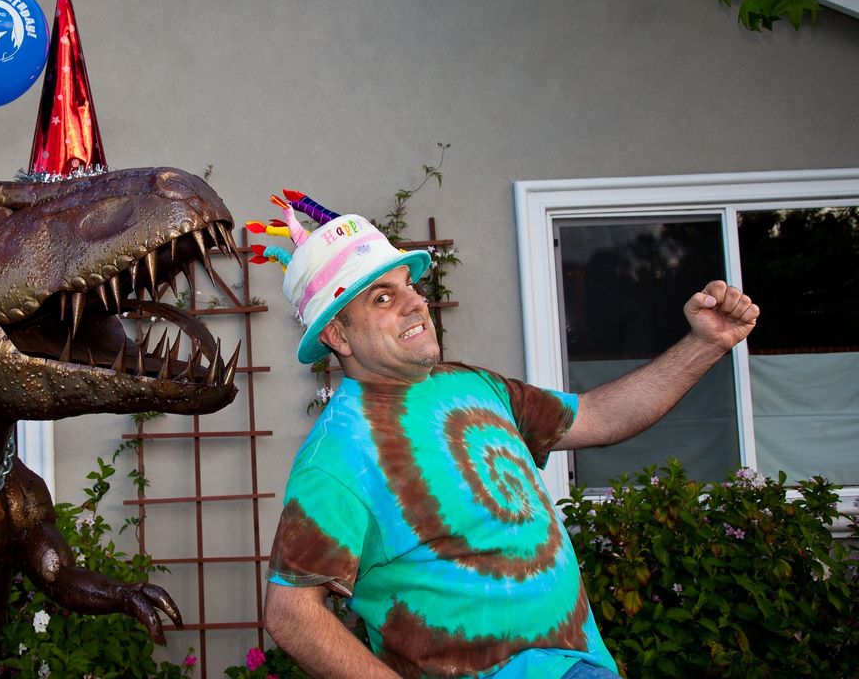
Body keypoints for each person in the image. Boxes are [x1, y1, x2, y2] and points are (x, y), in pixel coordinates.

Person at [249, 196, 759, 679]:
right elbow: (291, 611)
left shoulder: (474, 385)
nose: (415, 304)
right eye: (384, 297)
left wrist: (705, 344)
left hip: (580, 665)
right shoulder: (337, 454)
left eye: (409, 286)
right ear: (337, 335)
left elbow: (599, 416)